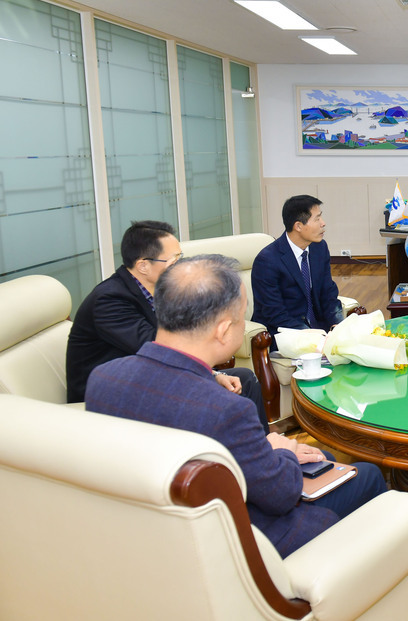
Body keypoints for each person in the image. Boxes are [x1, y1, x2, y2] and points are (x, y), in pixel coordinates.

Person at [85, 254, 387, 558]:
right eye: (242, 318)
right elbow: (280, 495)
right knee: (369, 474)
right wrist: (282, 450)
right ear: (223, 330)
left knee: (324, 460)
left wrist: (268, 450)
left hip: (153, 533)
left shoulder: (103, 379)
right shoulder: (225, 409)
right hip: (242, 542)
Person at [66, 221, 268, 432]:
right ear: (143, 265)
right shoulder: (109, 300)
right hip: (116, 391)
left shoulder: (155, 289)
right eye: (173, 260)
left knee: (244, 379)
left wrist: (214, 374)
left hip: (150, 375)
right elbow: (159, 348)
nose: (180, 266)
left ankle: (260, 442)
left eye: (180, 257)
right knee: (227, 393)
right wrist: (213, 375)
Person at [252, 195, 344, 342]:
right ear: (298, 226)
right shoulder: (267, 260)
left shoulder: (319, 248)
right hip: (285, 334)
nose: (323, 223)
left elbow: (328, 293)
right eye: (317, 219)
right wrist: (312, 336)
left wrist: (338, 325)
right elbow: (274, 313)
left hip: (319, 330)